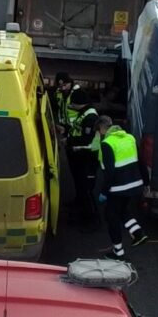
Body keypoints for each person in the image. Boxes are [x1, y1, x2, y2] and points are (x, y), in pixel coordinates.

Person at [93, 115, 148, 257]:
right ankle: (138, 233)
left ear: (101, 129)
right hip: (135, 185)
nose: (99, 135)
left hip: (118, 187)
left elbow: (110, 172)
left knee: (111, 216)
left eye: (98, 132)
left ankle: (118, 252)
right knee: (122, 211)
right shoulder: (129, 138)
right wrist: (146, 182)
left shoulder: (107, 143)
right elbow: (140, 162)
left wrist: (104, 191)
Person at [65, 88, 100, 226]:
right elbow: (77, 129)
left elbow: (87, 139)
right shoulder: (84, 113)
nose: (72, 106)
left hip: (88, 158)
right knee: (80, 186)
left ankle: (91, 221)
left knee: (86, 190)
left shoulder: (91, 117)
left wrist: (69, 141)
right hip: (80, 156)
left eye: (74, 104)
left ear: (81, 103)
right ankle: (79, 205)